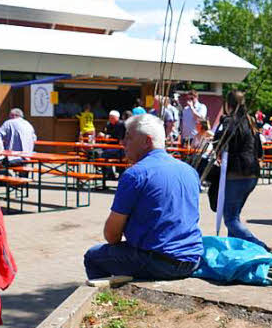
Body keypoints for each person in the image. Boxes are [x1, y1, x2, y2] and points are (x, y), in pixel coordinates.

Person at [83, 114, 202, 281]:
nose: (123, 143)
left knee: (93, 257)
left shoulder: (135, 174)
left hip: (158, 261)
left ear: (147, 141)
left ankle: (109, 298)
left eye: (128, 138)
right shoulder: (189, 170)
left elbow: (111, 235)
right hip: (192, 259)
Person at [212, 90, 267, 249]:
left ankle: (258, 245)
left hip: (237, 172)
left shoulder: (229, 121)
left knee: (230, 219)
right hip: (252, 173)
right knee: (234, 215)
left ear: (228, 105)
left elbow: (218, 142)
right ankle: (233, 247)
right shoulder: (250, 120)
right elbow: (258, 148)